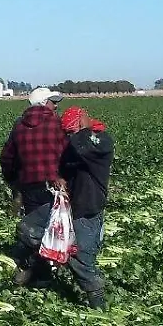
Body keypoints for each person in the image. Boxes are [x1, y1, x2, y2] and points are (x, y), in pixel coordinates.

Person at [0, 87, 66, 287]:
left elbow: (7, 157)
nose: (56, 106)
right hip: (54, 185)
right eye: (53, 102)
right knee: (55, 228)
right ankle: (43, 270)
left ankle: (38, 273)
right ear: (43, 103)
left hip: (29, 185)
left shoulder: (19, 125)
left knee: (34, 229)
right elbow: (69, 153)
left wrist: (13, 180)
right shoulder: (57, 124)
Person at [56, 106, 114, 309]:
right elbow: (66, 164)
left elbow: (81, 146)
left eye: (71, 131)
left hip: (89, 207)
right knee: (73, 253)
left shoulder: (100, 140)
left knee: (81, 256)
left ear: (81, 123)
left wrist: (78, 130)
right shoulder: (79, 141)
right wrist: (60, 177)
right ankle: (94, 291)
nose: (70, 137)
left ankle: (97, 298)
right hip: (75, 205)